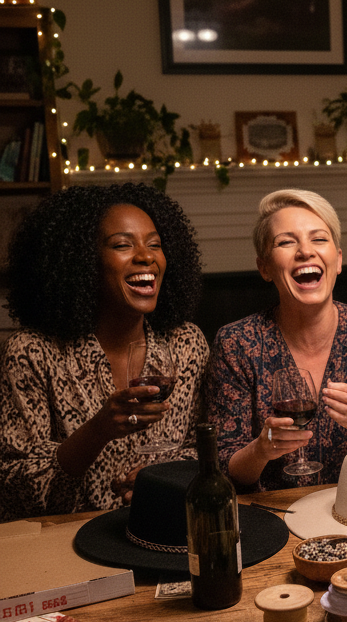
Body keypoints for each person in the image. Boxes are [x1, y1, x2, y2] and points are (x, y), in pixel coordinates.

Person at [0, 183, 207, 520]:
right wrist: (96, 432)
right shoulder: (31, 353)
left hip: (165, 529)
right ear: (82, 261)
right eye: (122, 245)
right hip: (65, 542)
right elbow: (13, 487)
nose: (146, 256)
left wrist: (161, 480)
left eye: (155, 244)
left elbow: (203, 449)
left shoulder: (186, 344)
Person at [207, 189, 347, 491]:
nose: (305, 251)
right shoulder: (236, 343)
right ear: (264, 267)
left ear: (338, 260)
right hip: (272, 516)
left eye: (319, 238)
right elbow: (223, 468)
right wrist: (261, 450)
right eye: (286, 242)